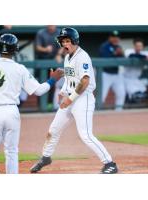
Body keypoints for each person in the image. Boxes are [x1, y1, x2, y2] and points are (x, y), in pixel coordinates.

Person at [30, 27, 118, 174]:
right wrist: (63, 92)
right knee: (53, 129)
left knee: (86, 134)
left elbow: (84, 82)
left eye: (68, 41)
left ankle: (110, 163)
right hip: (71, 97)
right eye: (63, 41)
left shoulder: (83, 57)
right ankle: (46, 157)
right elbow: (70, 78)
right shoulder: (67, 57)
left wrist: (69, 99)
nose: (65, 44)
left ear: (75, 41)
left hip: (83, 99)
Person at [0, 33, 64, 174]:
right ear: (15, 49)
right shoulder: (20, 69)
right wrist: (52, 80)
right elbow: (38, 91)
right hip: (12, 111)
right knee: (12, 151)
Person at [35, 25, 63, 108]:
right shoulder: (41, 33)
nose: (51, 25)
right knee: (41, 84)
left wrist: (59, 54)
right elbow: (37, 47)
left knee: (53, 83)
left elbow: (63, 46)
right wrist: (45, 49)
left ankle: (50, 104)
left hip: (54, 63)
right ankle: (40, 105)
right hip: (42, 62)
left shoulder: (59, 32)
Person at [99, 31, 126, 110]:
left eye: (117, 37)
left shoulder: (119, 47)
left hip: (117, 74)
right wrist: (115, 53)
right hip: (105, 74)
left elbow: (123, 59)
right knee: (102, 95)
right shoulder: (104, 46)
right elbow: (105, 58)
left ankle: (118, 112)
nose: (115, 39)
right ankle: (97, 112)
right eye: (113, 37)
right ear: (110, 38)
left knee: (121, 94)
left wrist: (121, 54)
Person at [124, 38, 148, 102]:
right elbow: (132, 55)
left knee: (143, 94)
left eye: (140, 46)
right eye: (137, 46)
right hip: (126, 79)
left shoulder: (145, 53)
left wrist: (144, 56)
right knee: (134, 95)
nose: (138, 48)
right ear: (134, 46)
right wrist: (144, 57)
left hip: (137, 79)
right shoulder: (129, 51)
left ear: (143, 47)